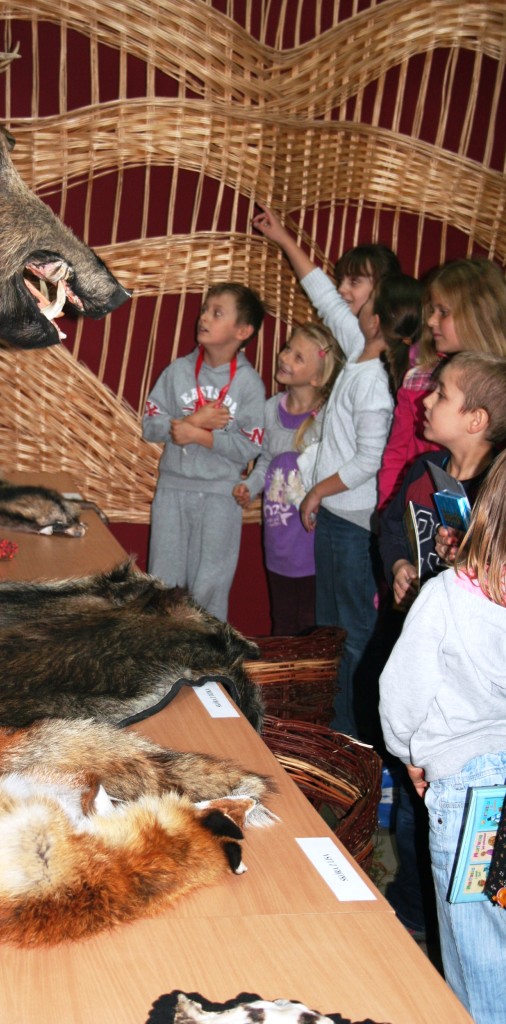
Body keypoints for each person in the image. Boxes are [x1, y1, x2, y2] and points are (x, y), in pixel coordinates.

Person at [379, 448, 506, 1024]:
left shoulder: (449, 594)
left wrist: (409, 753)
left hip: (470, 799)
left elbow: (400, 695)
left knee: (477, 952)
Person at [295, 275, 421, 737]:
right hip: (337, 515)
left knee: (353, 637)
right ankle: (337, 729)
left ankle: (356, 736)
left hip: (353, 522)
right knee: (332, 630)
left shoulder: (373, 381)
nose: (355, 301)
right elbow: (330, 305)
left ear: (376, 319)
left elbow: (369, 459)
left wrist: (317, 490)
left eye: (367, 299)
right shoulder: (360, 360)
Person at [142, 282, 266, 622]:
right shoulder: (178, 372)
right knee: (163, 587)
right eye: (204, 310)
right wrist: (189, 422)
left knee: (210, 588)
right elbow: (149, 425)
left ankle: (205, 655)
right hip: (172, 490)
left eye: (217, 313)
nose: (204, 318)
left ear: (243, 331)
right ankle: (162, 652)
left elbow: (249, 445)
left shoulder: (249, 384)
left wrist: (199, 435)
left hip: (220, 498)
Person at [231, 323, 344, 635]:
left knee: (311, 623)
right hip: (278, 538)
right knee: (282, 620)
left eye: (298, 357)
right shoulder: (270, 409)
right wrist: (250, 487)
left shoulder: (327, 418)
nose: (284, 357)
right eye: (287, 349)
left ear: (317, 377)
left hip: (311, 541)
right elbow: (266, 460)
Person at [379, 352, 506, 609]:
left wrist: (466, 556)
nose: (426, 401)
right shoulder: (424, 469)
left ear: (476, 420)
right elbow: (391, 527)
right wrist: (399, 565)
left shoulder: (496, 494)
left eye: (441, 395)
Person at [378, 257, 506, 510]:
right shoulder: (418, 379)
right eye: (432, 311)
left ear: (477, 316)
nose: (430, 321)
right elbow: (396, 454)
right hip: (414, 506)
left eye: (443, 312)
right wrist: (389, 510)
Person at [252, 204, 400, 364]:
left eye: (355, 282)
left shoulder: (364, 341)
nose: (341, 289)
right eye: (341, 280)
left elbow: (324, 296)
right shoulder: (361, 338)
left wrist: (283, 239)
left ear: (382, 290)